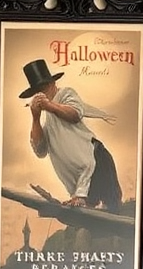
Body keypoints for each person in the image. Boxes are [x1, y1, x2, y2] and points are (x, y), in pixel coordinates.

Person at [20, 58, 122, 212]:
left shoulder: (66, 94)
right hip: (81, 177)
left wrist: (49, 105)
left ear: (52, 84)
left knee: (110, 208)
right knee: (87, 215)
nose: (42, 92)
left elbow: (75, 114)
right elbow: (40, 150)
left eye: (44, 86)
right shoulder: (48, 123)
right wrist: (35, 118)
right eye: (37, 90)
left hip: (97, 159)